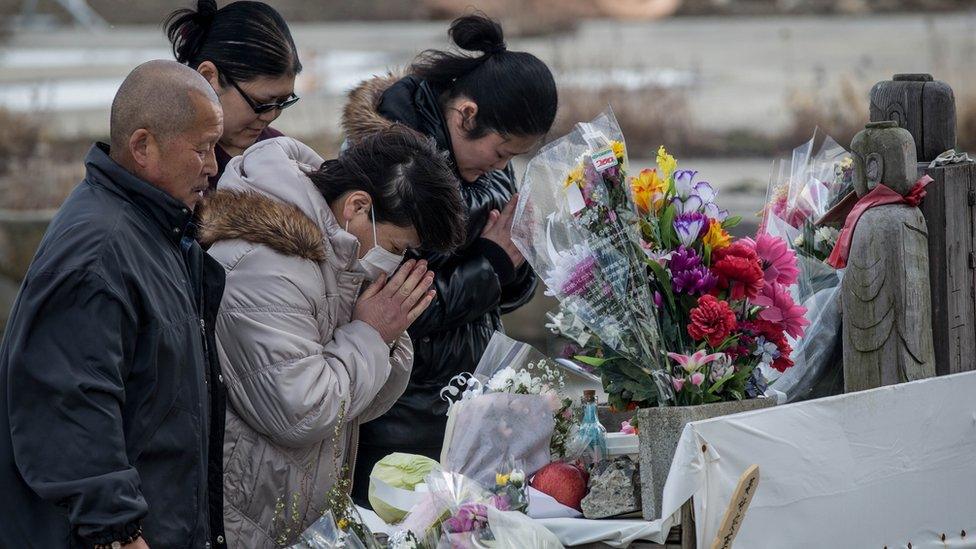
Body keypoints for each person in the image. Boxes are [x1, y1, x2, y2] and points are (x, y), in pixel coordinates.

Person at [199, 127, 466, 547]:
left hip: (297, 510)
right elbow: (302, 411)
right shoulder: (266, 265)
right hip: (251, 516)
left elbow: (360, 406)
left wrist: (386, 334)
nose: (398, 262)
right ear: (358, 206)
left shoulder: (337, 254)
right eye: (398, 246)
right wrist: (372, 333)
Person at [0, 60, 227, 548]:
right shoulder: (99, 253)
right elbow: (71, 406)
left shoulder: (157, 229)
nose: (212, 166)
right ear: (143, 146)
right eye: (203, 149)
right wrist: (119, 530)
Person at [341, 13, 559, 505]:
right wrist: (493, 266)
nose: (502, 166)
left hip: (474, 391)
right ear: (465, 114)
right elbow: (397, 307)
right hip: (402, 406)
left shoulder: (487, 167)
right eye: (500, 151)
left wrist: (519, 261)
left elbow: (501, 288)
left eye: (512, 158)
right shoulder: (392, 165)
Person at [166, 0, 302, 188]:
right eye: (261, 103)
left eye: (283, 102)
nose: (270, 116)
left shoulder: (276, 149)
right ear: (208, 77)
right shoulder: (166, 160)